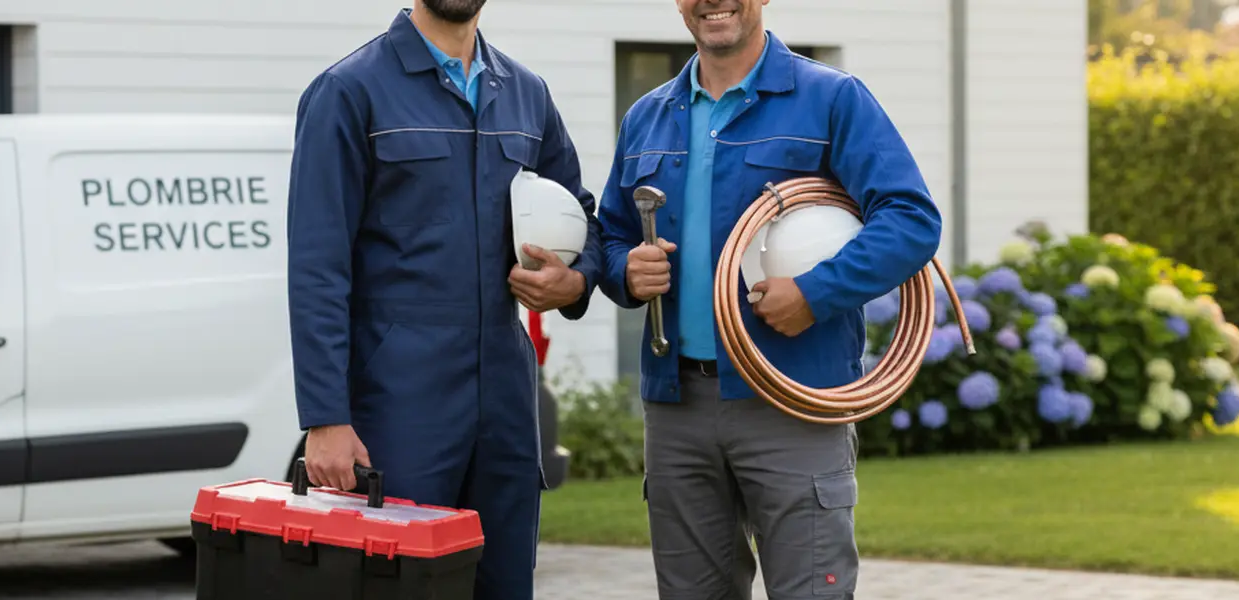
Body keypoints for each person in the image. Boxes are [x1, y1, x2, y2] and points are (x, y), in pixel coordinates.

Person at [596, 1, 943, 598]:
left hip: (791, 404)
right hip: (678, 408)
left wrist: (814, 293)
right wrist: (625, 268)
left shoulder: (832, 99)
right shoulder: (646, 117)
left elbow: (910, 220)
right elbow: (610, 235)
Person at [285, 1, 603, 598]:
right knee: (402, 586)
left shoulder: (526, 94)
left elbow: (581, 217)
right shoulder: (350, 91)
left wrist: (577, 279)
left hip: (506, 407)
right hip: (398, 407)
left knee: (505, 584)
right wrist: (325, 417)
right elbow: (316, 268)